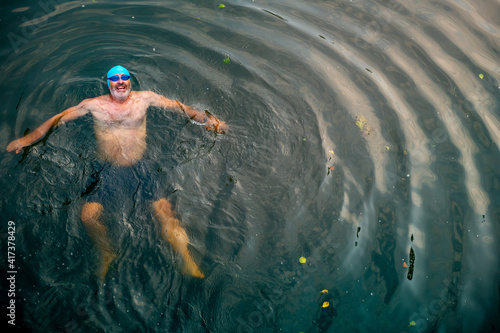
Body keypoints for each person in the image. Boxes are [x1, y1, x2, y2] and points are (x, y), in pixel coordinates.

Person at [6, 65, 228, 280]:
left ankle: (187, 260)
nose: (120, 80)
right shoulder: (93, 105)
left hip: (139, 168)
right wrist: (26, 140)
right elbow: (57, 120)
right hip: (106, 170)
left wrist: (211, 121)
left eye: (124, 77)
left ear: (129, 81)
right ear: (108, 83)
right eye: (115, 78)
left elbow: (181, 108)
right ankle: (106, 252)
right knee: (88, 217)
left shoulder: (145, 98)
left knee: (164, 214)